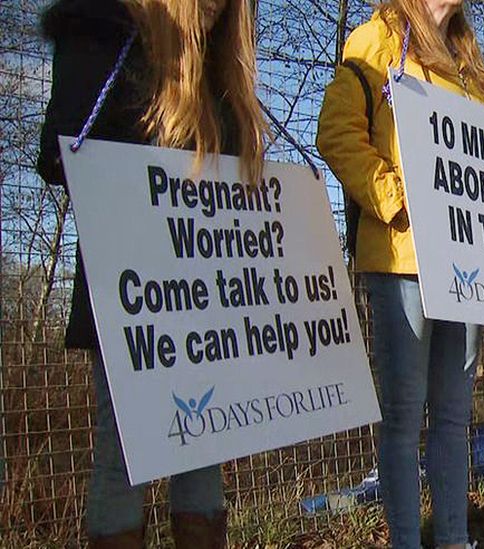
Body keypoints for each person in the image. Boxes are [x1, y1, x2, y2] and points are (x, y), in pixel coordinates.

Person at [36, 0, 267, 547]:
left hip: (208, 298)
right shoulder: (105, 32)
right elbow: (60, 150)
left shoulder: (222, 71)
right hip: (132, 298)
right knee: (124, 451)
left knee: (205, 443)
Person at [316, 1, 484, 547]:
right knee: (402, 417)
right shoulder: (375, 41)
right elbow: (337, 132)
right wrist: (397, 199)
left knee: (452, 416)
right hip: (402, 262)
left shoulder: (470, 67)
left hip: (466, 266)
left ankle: (453, 538)